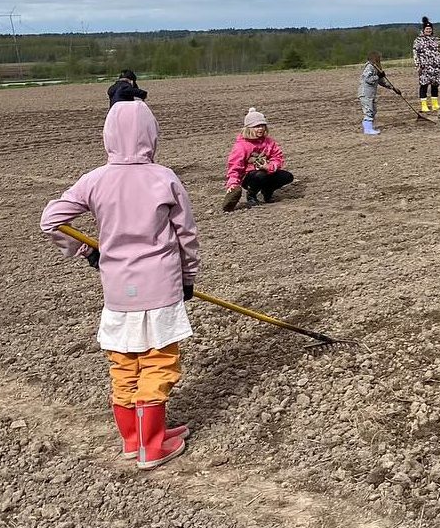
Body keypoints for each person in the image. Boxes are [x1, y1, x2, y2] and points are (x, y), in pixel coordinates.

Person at [40, 100, 198, 470]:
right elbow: (186, 236)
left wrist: (84, 251)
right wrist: (188, 276)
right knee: (159, 363)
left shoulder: (95, 179)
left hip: (116, 292)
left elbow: (51, 220)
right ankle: (152, 445)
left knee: (124, 363)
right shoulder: (164, 177)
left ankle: (134, 440)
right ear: (151, 135)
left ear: (107, 136)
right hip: (160, 288)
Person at [221, 108, 294, 211]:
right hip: (249, 178)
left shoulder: (269, 142)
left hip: (266, 171)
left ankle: (267, 191)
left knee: (287, 176)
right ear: (249, 128)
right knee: (260, 175)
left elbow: (277, 158)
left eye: (262, 126)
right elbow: (235, 166)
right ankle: (251, 195)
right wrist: (233, 184)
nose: (260, 129)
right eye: (256, 126)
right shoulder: (241, 146)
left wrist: (269, 166)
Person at [412, 16, 440, 114]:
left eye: (430, 29)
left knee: (435, 85)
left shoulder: (436, 39)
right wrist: (417, 65)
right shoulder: (418, 40)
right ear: (423, 30)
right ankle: (424, 105)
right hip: (424, 67)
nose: (428, 30)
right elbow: (415, 53)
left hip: (437, 67)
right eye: (427, 29)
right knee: (424, 85)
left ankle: (434, 103)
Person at [358, 51, 395, 135]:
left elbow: (381, 82)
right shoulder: (369, 67)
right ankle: (368, 130)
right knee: (369, 110)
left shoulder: (376, 68)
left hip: (371, 94)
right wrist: (378, 76)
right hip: (365, 93)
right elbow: (368, 79)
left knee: (374, 110)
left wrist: (392, 87)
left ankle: (368, 126)